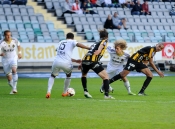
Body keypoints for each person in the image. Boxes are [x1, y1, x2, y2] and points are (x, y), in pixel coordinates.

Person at [46, 32, 90, 99]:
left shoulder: (61, 42)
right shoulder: (72, 41)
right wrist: (88, 48)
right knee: (68, 75)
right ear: (73, 38)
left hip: (56, 61)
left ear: (66, 37)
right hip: (66, 63)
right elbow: (78, 44)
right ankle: (64, 92)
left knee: (52, 75)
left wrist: (75, 60)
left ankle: (48, 92)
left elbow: (63, 55)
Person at [80, 29, 115, 99]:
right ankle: (106, 95)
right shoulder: (104, 41)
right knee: (106, 77)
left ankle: (85, 91)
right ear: (107, 36)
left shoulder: (96, 42)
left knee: (84, 75)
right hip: (92, 61)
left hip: (84, 60)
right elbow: (101, 46)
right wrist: (99, 51)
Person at [0, 30, 22, 94]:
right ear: (4, 36)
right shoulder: (1, 42)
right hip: (5, 60)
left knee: (14, 70)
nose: (9, 36)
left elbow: (18, 45)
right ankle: (12, 87)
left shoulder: (14, 40)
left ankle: (14, 88)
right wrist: (0, 54)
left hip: (13, 58)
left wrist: (20, 53)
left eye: (10, 35)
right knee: (9, 78)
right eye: (7, 35)